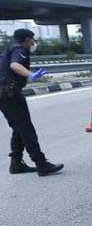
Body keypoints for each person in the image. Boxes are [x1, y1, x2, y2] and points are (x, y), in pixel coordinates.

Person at [0, 28, 63, 176]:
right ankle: (41, 164)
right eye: (32, 39)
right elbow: (14, 65)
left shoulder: (9, 49)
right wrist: (31, 75)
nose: (33, 43)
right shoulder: (19, 49)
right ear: (27, 39)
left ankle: (16, 164)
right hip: (10, 95)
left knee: (19, 128)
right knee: (26, 129)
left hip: (5, 95)